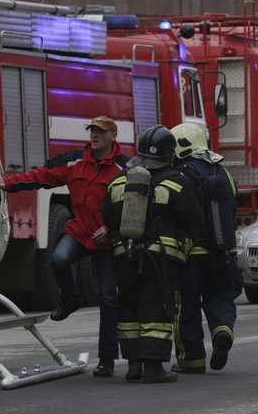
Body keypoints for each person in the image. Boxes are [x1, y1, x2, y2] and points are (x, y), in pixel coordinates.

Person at [0, 115, 127, 378]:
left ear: (113, 136)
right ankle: (71, 299)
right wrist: (9, 183)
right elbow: (44, 176)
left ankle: (106, 359)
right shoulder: (75, 163)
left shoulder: (124, 168)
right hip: (80, 233)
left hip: (107, 240)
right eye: (92, 131)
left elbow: (133, 206)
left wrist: (111, 229)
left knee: (108, 299)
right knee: (59, 258)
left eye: (100, 132)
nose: (94, 136)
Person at [102, 124, 203, 383]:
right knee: (156, 309)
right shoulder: (178, 182)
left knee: (129, 309)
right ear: (170, 154)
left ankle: (134, 366)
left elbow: (108, 219)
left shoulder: (118, 181)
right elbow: (193, 220)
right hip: (161, 259)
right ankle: (155, 368)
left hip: (123, 256)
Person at [168, 123, 241, 374]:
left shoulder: (182, 174)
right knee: (220, 296)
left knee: (186, 304)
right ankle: (222, 330)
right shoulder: (224, 173)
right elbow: (232, 211)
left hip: (192, 254)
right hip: (224, 252)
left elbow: (178, 213)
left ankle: (192, 360)